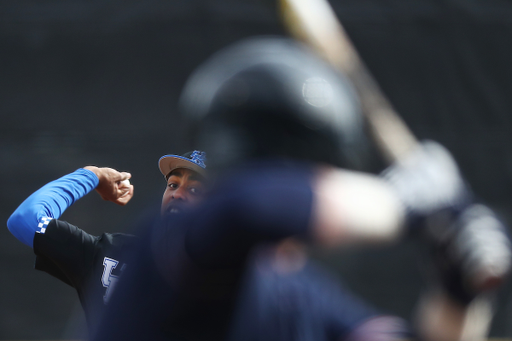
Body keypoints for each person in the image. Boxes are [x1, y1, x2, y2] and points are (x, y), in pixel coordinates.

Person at [93, 37, 512, 341]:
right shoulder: (170, 244)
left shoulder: (296, 294)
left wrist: (459, 293)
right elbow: (249, 206)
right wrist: (406, 203)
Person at [7, 150, 207, 333]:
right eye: (173, 185)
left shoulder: (232, 276)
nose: (177, 194)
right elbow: (25, 219)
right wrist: (92, 175)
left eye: (195, 190)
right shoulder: (114, 255)